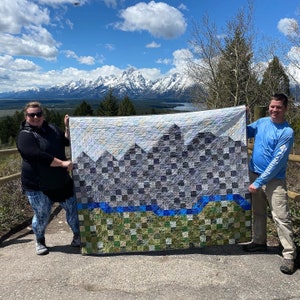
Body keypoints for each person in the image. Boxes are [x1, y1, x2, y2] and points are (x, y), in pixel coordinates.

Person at [242, 93, 297, 274]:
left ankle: (289, 255)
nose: (274, 110)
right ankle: (259, 242)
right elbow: (244, 131)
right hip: (255, 174)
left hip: (274, 180)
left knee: (280, 216)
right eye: (272, 106)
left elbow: (277, 161)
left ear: (285, 108)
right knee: (258, 212)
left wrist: (259, 182)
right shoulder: (262, 122)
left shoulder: (286, 132)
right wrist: (242, 115)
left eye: (278, 107)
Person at [17, 101, 80, 255]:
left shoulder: (52, 129)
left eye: (39, 114)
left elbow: (66, 141)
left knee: (73, 210)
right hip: (38, 186)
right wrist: (63, 163)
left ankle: (78, 236)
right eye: (32, 115)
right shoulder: (24, 136)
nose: (36, 117)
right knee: (42, 215)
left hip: (61, 182)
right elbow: (37, 155)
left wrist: (66, 127)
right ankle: (39, 240)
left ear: (43, 115)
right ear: (26, 117)